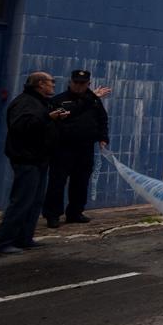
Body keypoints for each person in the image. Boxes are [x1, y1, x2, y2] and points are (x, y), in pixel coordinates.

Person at [0, 72, 69, 255]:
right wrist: (50, 118)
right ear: (40, 84)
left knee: (34, 201)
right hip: (27, 158)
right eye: (51, 82)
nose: (53, 85)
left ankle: (24, 238)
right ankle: (0, 243)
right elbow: (22, 126)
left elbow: (40, 124)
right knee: (22, 201)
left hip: (39, 158)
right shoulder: (25, 102)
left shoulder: (40, 102)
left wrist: (55, 119)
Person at [44, 69, 110, 228]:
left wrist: (103, 137)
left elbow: (102, 119)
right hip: (63, 148)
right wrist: (92, 97)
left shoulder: (94, 101)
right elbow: (60, 118)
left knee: (81, 182)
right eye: (76, 83)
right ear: (70, 82)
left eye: (83, 83)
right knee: (57, 182)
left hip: (85, 147)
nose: (79, 86)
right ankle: (52, 215)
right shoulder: (60, 100)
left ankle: (75, 212)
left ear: (88, 84)